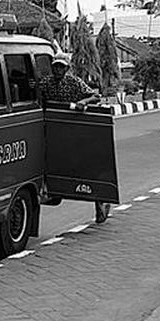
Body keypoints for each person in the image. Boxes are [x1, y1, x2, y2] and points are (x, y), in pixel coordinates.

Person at [39, 53, 111, 223]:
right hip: (53, 128)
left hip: (73, 128)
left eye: (61, 67)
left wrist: (83, 102)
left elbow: (95, 96)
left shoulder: (74, 82)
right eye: (56, 66)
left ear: (67, 68)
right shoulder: (46, 83)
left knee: (85, 165)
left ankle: (100, 201)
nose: (58, 70)